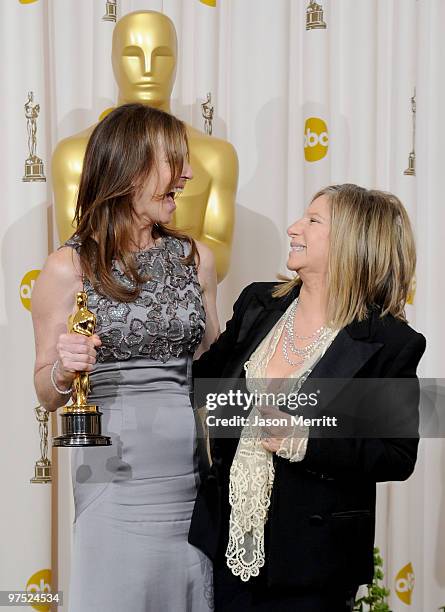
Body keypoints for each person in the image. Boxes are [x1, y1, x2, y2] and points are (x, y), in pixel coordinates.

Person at [189, 184, 426, 612]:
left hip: (313, 568)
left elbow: (397, 454)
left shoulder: (390, 343)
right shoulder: (258, 303)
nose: (293, 228)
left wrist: (306, 439)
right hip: (225, 549)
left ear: (352, 243)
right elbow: (203, 381)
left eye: (313, 221)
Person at [32, 103, 219, 611]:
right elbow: (46, 392)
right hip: (115, 486)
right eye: (173, 163)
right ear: (129, 169)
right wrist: (65, 369)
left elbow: (213, 371)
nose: (187, 175)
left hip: (192, 485)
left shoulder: (195, 258)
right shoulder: (67, 267)